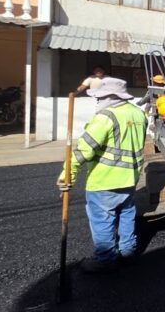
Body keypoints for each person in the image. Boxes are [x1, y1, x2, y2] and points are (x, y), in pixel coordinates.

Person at [57, 77, 147, 273]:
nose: (97, 101)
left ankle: (105, 259)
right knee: (126, 214)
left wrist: (67, 175)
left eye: (100, 97)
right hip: (130, 177)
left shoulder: (105, 117)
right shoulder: (139, 114)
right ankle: (128, 252)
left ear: (111, 97)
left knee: (102, 220)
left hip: (104, 181)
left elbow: (83, 151)